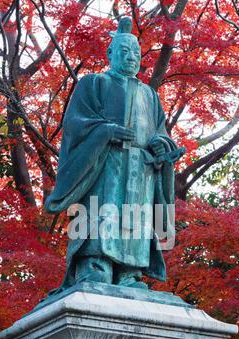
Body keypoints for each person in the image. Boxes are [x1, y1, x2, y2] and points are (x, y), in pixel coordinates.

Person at [45, 17, 184, 291]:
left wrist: (160, 144)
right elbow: (75, 124)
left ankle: (130, 272)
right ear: (110, 54)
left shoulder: (149, 94)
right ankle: (94, 266)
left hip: (140, 170)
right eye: (124, 51)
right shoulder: (93, 83)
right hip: (103, 163)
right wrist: (105, 132)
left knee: (137, 218)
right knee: (99, 213)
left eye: (136, 53)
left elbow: (160, 131)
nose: (131, 58)